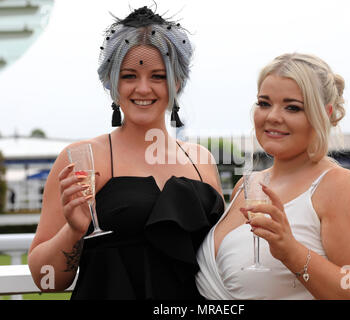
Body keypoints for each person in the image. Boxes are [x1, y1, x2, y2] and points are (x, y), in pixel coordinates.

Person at [28, 6, 224, 300]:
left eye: (158, 76)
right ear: (112, 83)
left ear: (177, 83)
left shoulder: (202, 160)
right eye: (129, 75)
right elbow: (46, 281)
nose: (143, 88)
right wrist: (73, 230)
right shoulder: (81, 158)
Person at [196, 53, 350, 299]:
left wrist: (292, 253)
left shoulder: (341, 188)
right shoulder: (246, 186)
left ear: (325, 113)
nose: (273, 116)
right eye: (264, 103)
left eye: (292, 107)